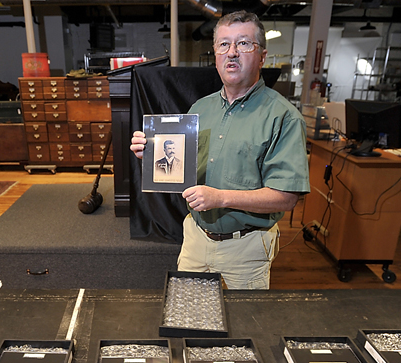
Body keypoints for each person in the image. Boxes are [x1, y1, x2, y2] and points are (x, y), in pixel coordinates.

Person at [130, 10, 309, 289]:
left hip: (246, 247)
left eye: (244, 43)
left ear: (261, 55)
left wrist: (221, 197)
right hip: (195, 239)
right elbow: (184, 169)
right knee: (188, 319)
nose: (232, 52)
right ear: (215, 54)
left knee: (247, 326)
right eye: (224, 44)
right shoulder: (200, 109)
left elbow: (286, 198)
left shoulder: (283, 117)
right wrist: (150, 152)